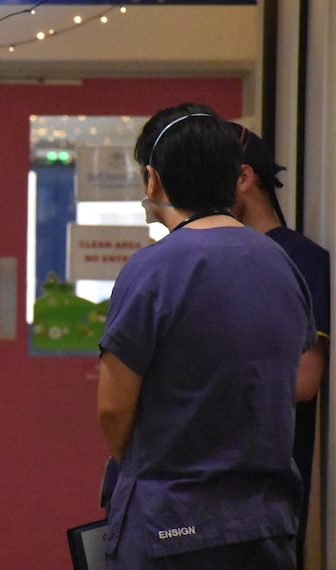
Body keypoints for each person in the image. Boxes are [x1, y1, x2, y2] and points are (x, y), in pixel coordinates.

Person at [97, 104, 316, 569]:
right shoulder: (282, 265)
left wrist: (143, 473)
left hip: (171, 524)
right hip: (264, 524)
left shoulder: (152, 268)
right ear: (234, 177)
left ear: (153, 180)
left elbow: (114, 406)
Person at [230, 122, 330, 569]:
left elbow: (305, 379)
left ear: (243, 178)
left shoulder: (303, 259)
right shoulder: (207, 253)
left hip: (265, 484)